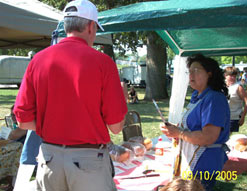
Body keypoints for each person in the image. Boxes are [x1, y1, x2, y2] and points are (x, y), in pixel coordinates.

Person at [13, 0, 127, 191]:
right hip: (89, 163)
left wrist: (52, 124)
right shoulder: (103, 63)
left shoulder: (38, 60)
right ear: (90, 27)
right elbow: (116, 127)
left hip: (49, 160)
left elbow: (23, 121)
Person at [160, 54, 230, 191]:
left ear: (209, 74)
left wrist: (179, 133)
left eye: (195, 70)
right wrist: (175, 130)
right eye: (189, 71)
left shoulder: (214, 98)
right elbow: (191, 128)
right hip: (192, 157)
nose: (190, 74)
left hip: (203, 161)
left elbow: (208, 137)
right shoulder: (196, 97)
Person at [224, 67, 247, 133]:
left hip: (233, 118)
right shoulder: (222, 86)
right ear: (225, 75)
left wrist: (243, 117)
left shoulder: (238, 87)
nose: (233, 78)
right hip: (222, 117)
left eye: (234, 76)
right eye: (231, 76)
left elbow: (246, 102)